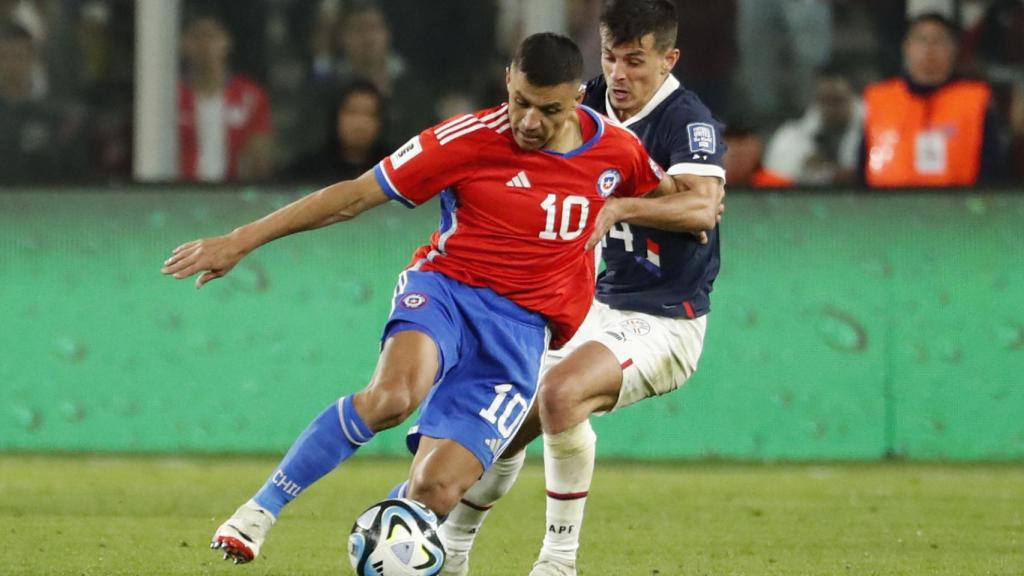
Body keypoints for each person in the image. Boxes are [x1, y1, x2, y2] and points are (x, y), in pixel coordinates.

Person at [160, 32, 720, 566]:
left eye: (548, 111)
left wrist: (659, 215)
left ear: (577, 99)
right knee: (392, 398)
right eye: (520, 102)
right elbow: (354, 197)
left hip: (523, 332)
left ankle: (391, 532)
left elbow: (683, 205)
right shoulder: (465, 140)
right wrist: (240, 240)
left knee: (437, 490)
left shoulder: (617, 153)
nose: (528, 121)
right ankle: (259, 512)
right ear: (507, 81)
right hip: (446, 291)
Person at [437, 2, 728, 575]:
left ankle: (557, 562)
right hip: (587, 308)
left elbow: (702, 209)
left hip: (666, 316)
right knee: (503, 418)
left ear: (669, 60)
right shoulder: (583, 100)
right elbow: (517, 138)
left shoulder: (685, 120)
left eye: (636, 62)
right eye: (610, 57)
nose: (619, 75)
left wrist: (617, 203)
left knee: (561, 394)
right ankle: (451, 551)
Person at [861, 12, 1005, 187]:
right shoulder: (879, 98)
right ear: (906, 47)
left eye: (938, 41)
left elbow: (993, 166)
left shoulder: (976, 100)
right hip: (888, 207)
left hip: (959, 206)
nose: (929, 49)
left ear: (954, 49)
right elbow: (862, 163)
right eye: (921, 40)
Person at [178, 13, 273, 182]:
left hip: (231, 193)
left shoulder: (250, 96)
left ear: (226, 42)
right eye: (197, 37)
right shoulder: (170, 98)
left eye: (211, 36)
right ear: (184, 44)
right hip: (179, 192)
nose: (204, 45)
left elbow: (260, 157)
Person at [763, 64, 863, 186]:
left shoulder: (871, 130)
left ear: (852, 98)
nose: (831, 109)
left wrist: (826, 171)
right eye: (825, 100)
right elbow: (777, 179)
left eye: (837, 100)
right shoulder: (793, 136)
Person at [287, 77, 390, 182]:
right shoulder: (306, 170)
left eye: (369, 114)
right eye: (352, 112)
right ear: (335, 116)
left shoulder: (392, 168)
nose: (360, 123)